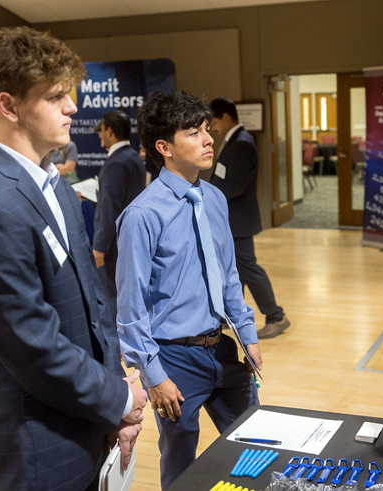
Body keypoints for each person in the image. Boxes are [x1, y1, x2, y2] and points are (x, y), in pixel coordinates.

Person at [0, 27, 148, 490]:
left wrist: (117, 394)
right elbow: (33, 346)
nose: (72, 107)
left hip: (90, 422)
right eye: (55, 96)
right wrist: (118, 398)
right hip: (34, 448)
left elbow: (95, 306)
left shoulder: (59, 188)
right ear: (8, 106)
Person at [116, 90, 262, 489]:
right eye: (194, 133)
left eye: (207, 130)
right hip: (174, 362)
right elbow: (130, 309)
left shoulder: (214, 198)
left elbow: (229, 275)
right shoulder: (142, 215)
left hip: (223, 349)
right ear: (164, 147)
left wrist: (247, 334)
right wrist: (153, 374)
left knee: (257, 443)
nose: (208, 139)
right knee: (182, 468)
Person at [209, 97, 290, 339]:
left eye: (213, 122)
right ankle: (232, 315)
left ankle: (276, 316)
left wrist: (210, 193)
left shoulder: (242, 143)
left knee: (248, 268)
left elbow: (237, 184)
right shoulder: (235, 140)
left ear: (225, 117)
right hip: (233, 220)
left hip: (239, 220)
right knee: (234, 270)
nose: (212, 128)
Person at [93, 110, 146, 321]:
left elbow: (109, 208)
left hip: (114, 243)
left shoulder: (115, 163)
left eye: (101, 130)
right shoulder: (133, 157)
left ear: (110, 131)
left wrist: (99, 246)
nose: (99, 135)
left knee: (112, 295)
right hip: (130, 237)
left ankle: (116, 348)